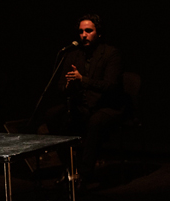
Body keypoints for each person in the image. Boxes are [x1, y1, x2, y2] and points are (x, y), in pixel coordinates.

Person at [45, 14, 125, 186]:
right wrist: (68, 85)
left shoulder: (111, 54)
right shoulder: (73, 55)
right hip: (82, 104)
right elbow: (60, 86)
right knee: (53, 115)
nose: (84, 35)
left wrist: (83, 80)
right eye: (81, 31)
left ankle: (84, 173)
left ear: (99, 33)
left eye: (88, 31)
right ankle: (69, 168)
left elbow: (111, 86)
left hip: (107, 106)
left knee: (95, 122)